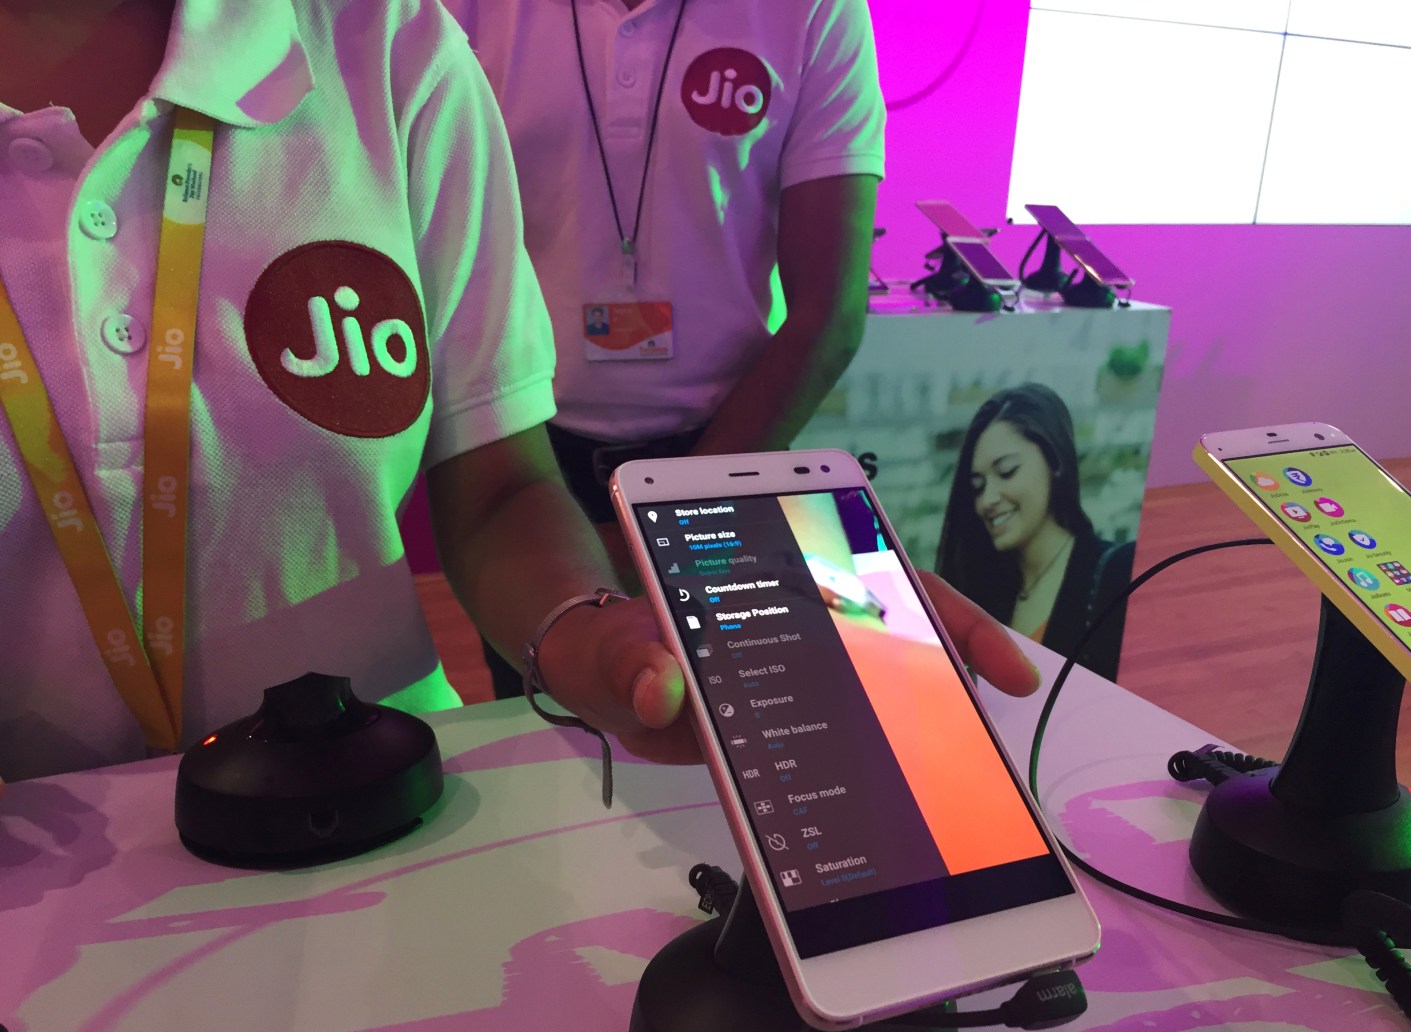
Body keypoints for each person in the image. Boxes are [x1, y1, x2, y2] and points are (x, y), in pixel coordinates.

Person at [0, 0, 1034, 786]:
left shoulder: (387, 43)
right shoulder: (469, 17)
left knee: (675, 775)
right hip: (48, 887)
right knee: (566, 749)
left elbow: (502, 487)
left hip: (394, 787)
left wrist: (619, 593)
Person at [451, 0, 885, 694]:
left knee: (735, 718)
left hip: (732, 449)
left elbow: (829, 316)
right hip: (523, 460)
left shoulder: (812, 10)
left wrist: (680, 516)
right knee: (551, 719)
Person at [936, 383, 1136, 681]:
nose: (988, 499)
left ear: (1054, 461)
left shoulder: (1119, 574)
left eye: (1007, 471)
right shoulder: (983, 591)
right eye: (977, 486)